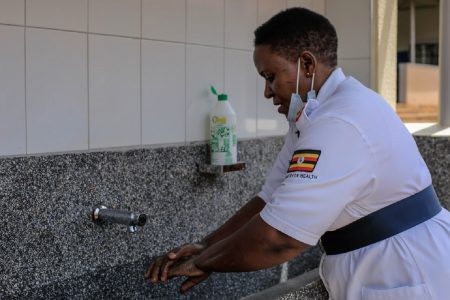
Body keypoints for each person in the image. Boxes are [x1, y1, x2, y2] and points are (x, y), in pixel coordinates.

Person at [144, 7, 450, 299]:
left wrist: (205, 262)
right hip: (391, 266)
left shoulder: (338, 121)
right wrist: (204, 246)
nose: (266, 91)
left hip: (406, 271)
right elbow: (269, 199)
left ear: (307, 64)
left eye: (270, 76)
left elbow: (280, 239)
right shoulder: (314, 115)